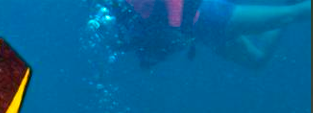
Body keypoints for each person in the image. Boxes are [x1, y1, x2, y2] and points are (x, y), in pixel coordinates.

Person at [104, 0, 311, 68]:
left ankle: (284, 12)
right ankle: (284, 9)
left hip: (211, 16)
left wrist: (175, 29)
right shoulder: (115, 8)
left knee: (291, 15)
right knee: (257, 60)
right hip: (203, 34)